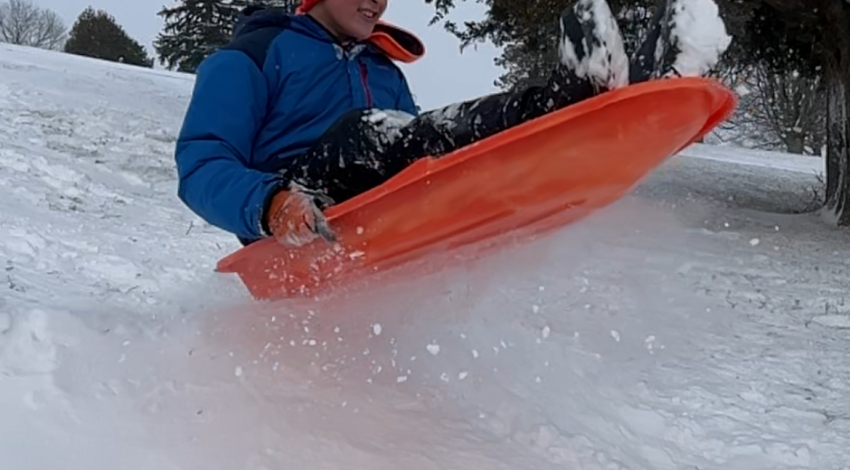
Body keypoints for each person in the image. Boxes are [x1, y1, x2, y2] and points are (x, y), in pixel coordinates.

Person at [175, 0, 728, 248]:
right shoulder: (251, 56)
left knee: (427, 136)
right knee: (367, 133)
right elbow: (202, 163)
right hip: (294, 212)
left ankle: (587, 99)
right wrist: (271, 206)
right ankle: (567, 97)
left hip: (370, 205)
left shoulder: (381, 67)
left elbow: (415, 144)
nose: (377, 2)